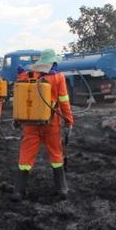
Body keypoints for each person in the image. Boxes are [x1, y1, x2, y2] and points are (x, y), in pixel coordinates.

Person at [12, 49, 74, 202]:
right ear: (53, 61)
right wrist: (69, 121)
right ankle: (62, 189)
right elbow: (64, 102)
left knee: (26, 155)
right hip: (50, 123)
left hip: (30, 123)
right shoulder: (58, 78)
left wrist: (17, 120)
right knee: (55, 154)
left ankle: (19, 191)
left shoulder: (27, 75)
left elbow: (20, 99)